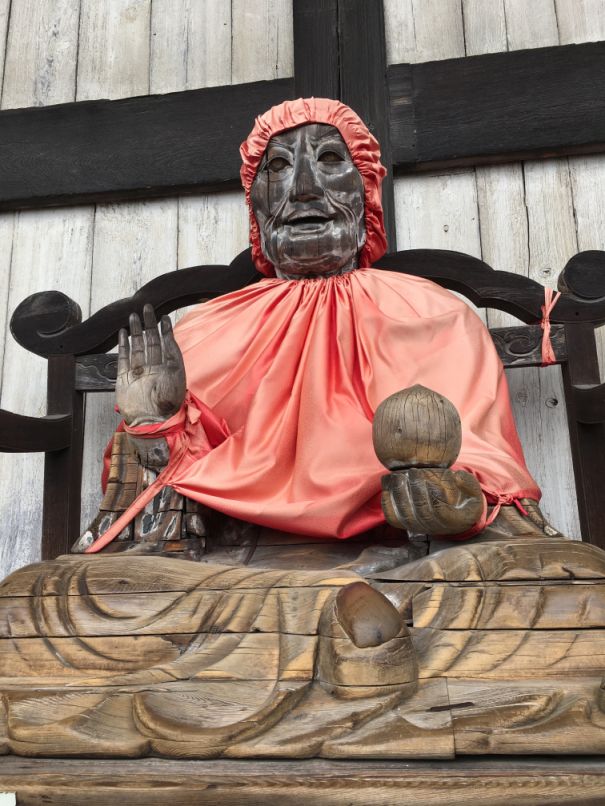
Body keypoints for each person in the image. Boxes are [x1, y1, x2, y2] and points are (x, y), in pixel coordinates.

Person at [75, 98, 545, 558]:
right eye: (278, 166)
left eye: (331, 159)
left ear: (366, 189)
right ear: (255, 203)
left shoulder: (432, 313)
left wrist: (448, 500)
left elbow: (483, 467)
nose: (303, 188)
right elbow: (170, 497)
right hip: (238, 560)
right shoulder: (204, 331)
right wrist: (154, 428)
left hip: (400, 553)